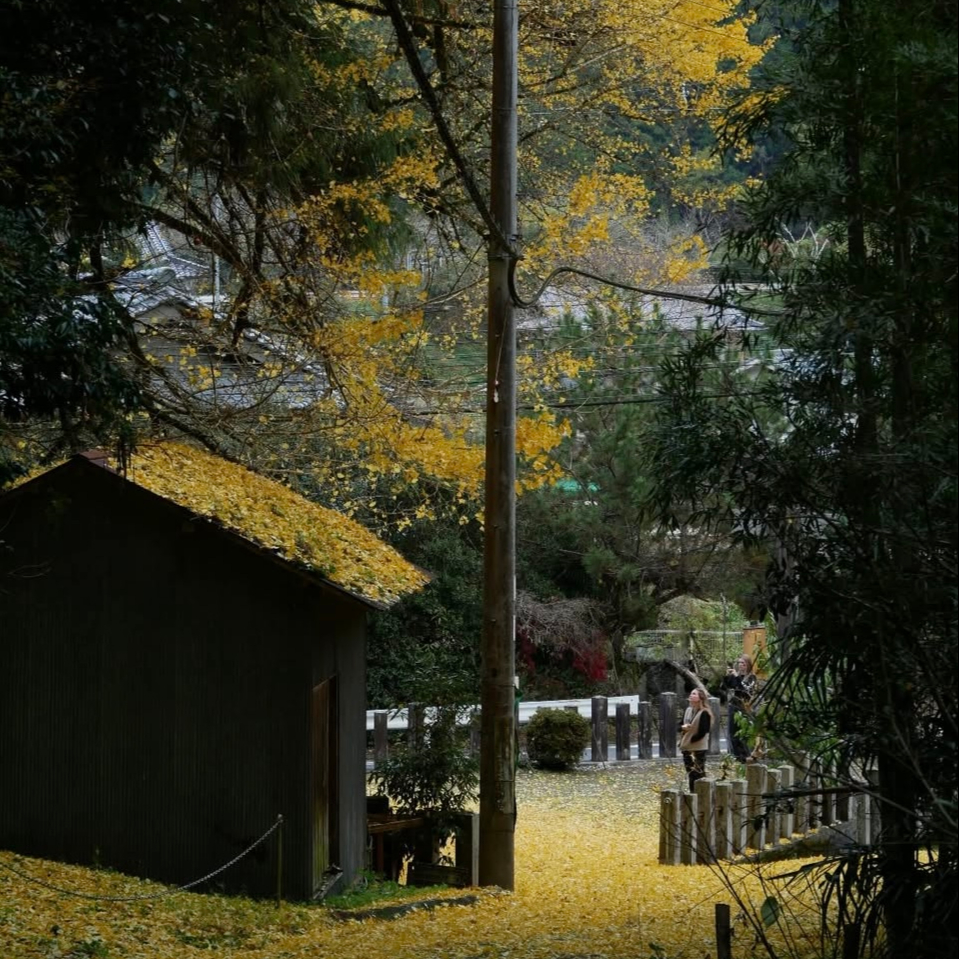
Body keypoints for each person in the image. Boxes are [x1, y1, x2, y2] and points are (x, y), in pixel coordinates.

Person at [722, 653, 758, 762]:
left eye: (743, 663)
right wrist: (727, 676)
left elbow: (745, 692)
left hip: (744, 708)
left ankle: (744, 757)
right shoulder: (736, 676)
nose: (741, 665)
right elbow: (724, 688)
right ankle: (734, 756)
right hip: (733, 706)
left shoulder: (752, 677)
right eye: (739, 663)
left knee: (741, 733)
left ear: (748, 664)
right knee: (731, 733)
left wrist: (737, 677)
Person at [679, 688, 712, 792]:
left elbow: (704, 731)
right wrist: (682, 728)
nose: (691, 695)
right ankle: (693, 793)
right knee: (690, 773)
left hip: (698, 748)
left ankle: (701, 794)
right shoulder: (688, 710)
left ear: (700, 698)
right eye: (691, 693)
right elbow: (679, 725)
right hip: (687, 747)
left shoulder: (704, 713)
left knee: (698, 773)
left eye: (694, 694)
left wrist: (691, 739)